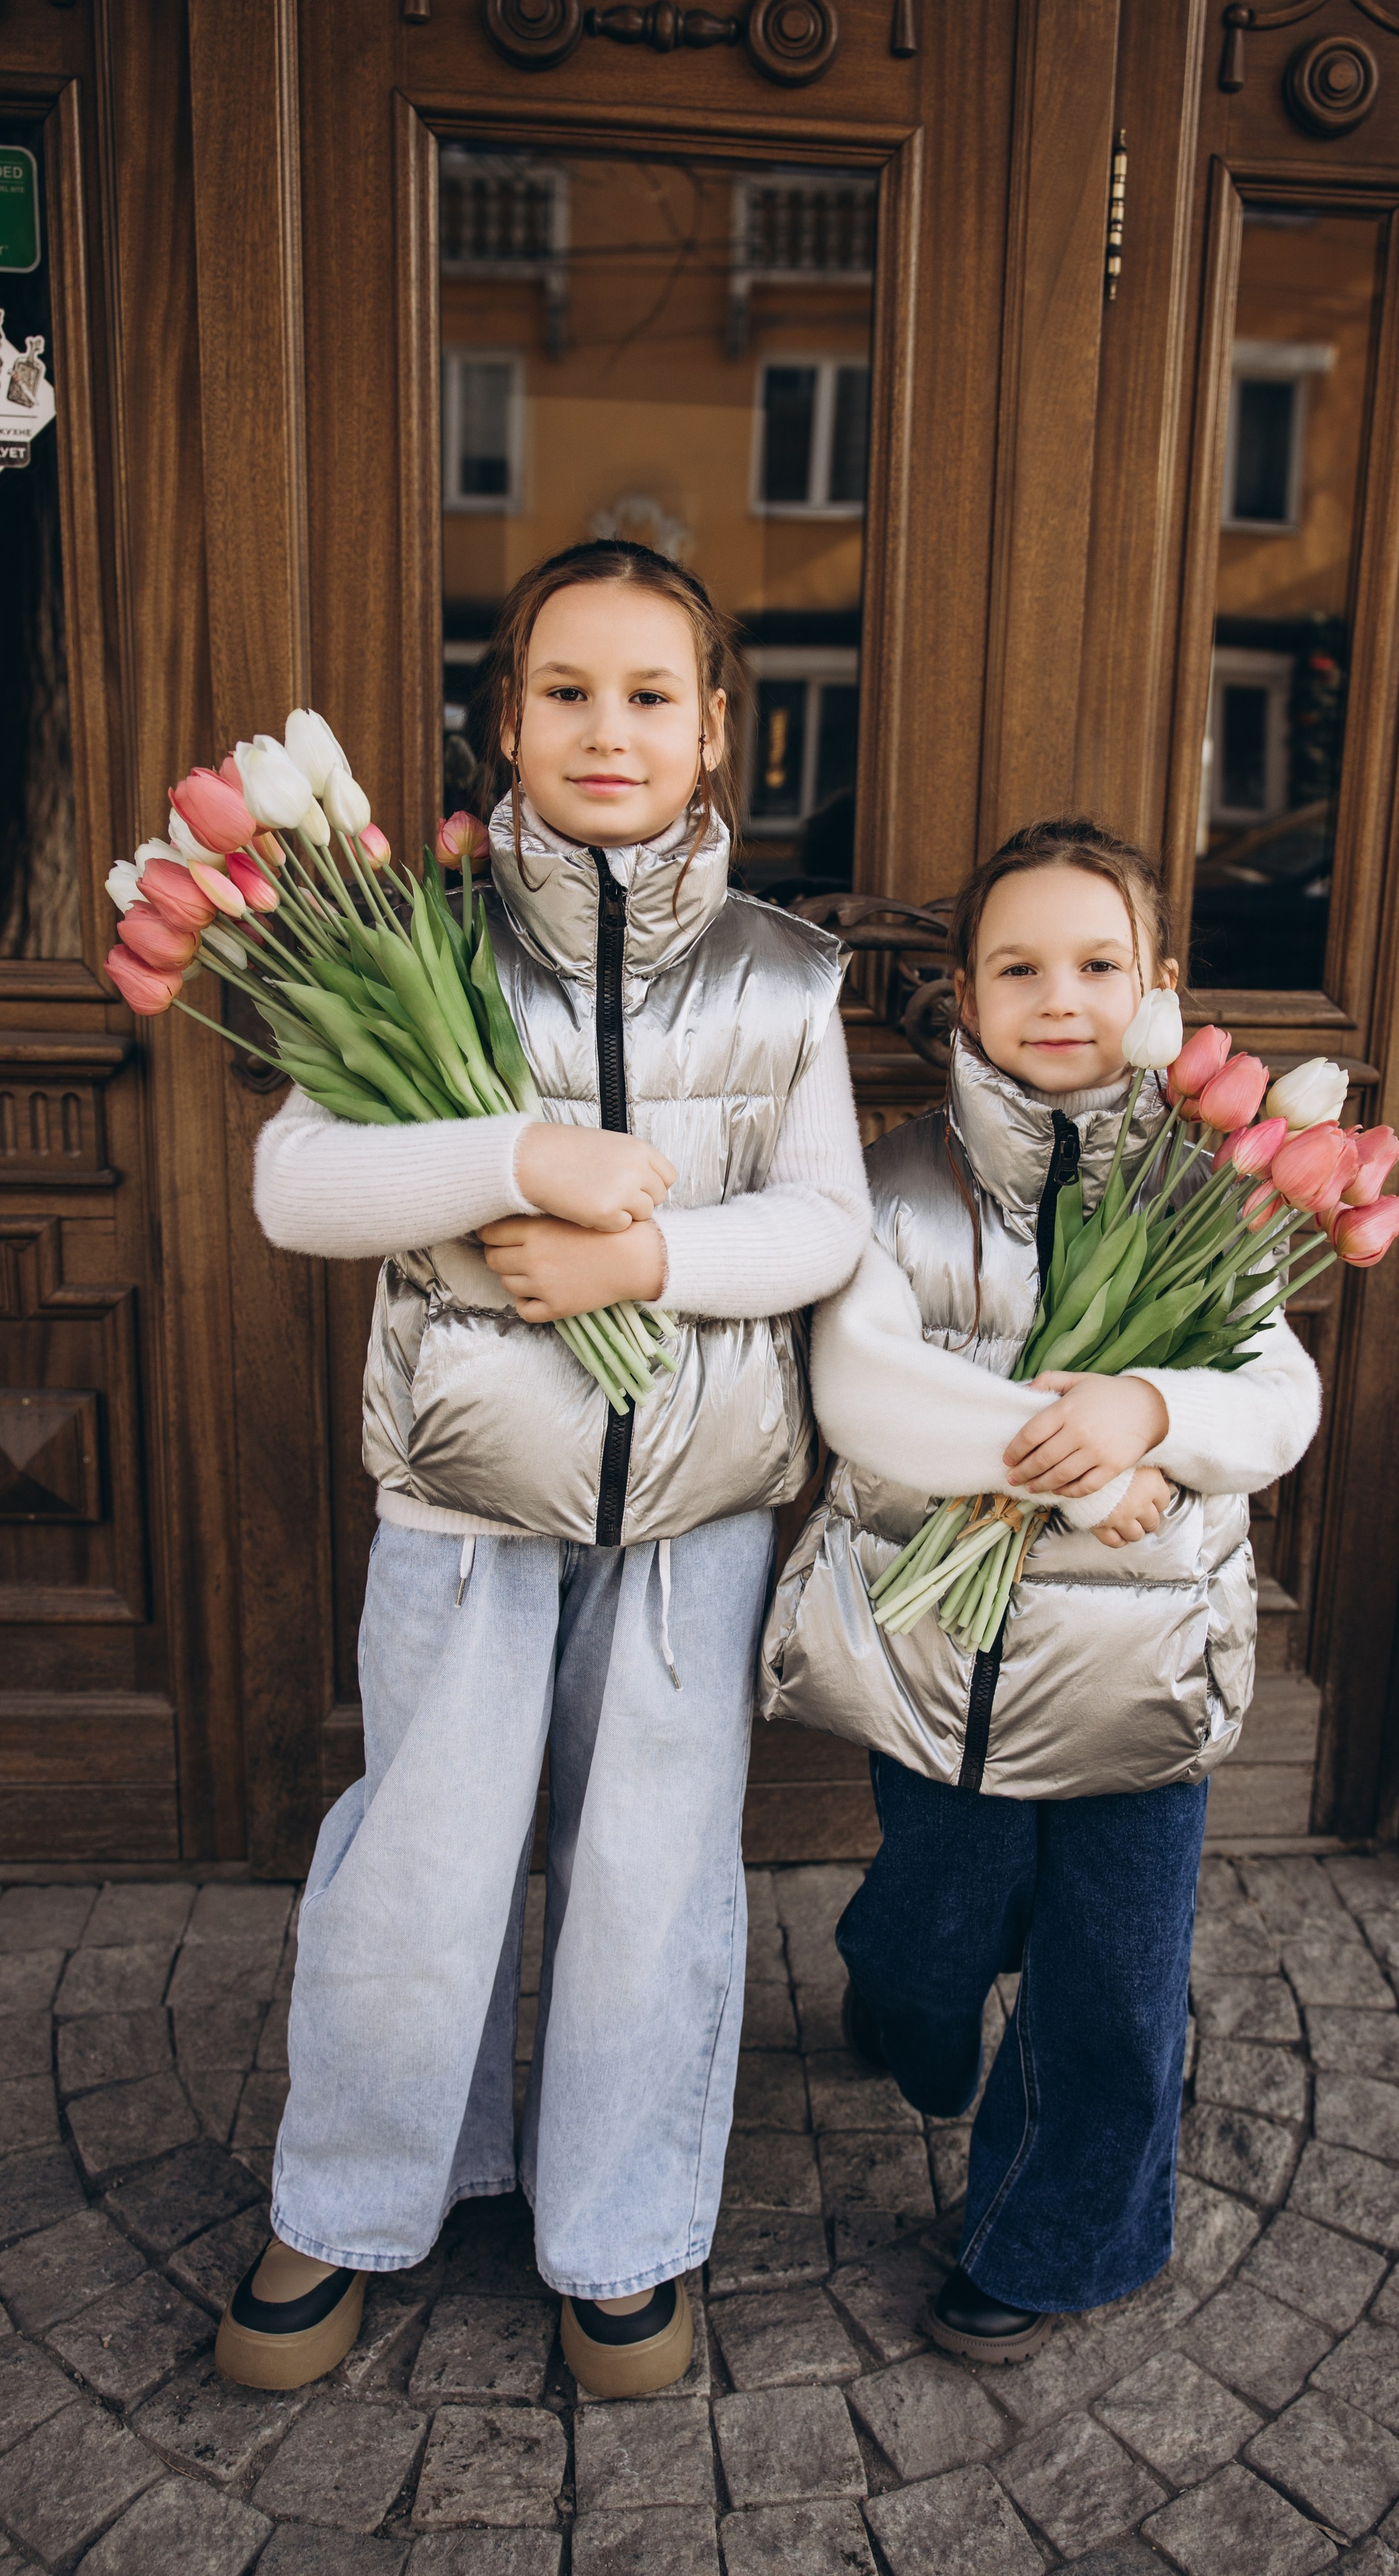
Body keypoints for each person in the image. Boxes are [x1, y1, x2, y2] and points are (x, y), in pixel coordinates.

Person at [217, 540, 869, 2397]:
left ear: (715, 729)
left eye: (650, 695)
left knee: (649, 1875)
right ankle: (350, 2204)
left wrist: (641, 1258)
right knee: (419, 1867)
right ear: (503, 723)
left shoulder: (780, 977)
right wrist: (516, 1158)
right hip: (463, 1508)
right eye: (565, 691)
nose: (607, 729)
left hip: (692, 1520)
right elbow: (297, 1184)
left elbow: (825, 1226)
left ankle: (619, 2230)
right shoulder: (414, 942)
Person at [761, 817, 1321, 2361]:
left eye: (1094, 964)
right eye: (1015, 968)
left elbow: (1275, 1401)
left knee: (1113, 1982)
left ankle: (1060, 2233)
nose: (1057, 997)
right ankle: (897, 1993)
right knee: (935, 1920)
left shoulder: (1217, 1198)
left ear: (1157, 989)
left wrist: (1150, 1410)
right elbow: (860, 1392)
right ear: (962, 994)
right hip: (944, 1665)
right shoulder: (894, 1190)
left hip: (1142, 1676)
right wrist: (1070, 1460)